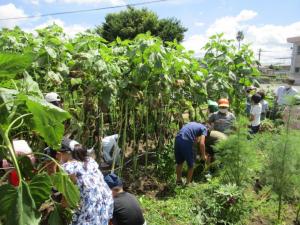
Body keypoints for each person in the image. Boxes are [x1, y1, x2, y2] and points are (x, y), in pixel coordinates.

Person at [57, 138, 113, 225]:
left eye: (59, 153)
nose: (57, 156)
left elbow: (65, 203)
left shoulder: (69, 169)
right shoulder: (91, 164)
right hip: (102, 214)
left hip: (87, 218)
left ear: (66, 154)